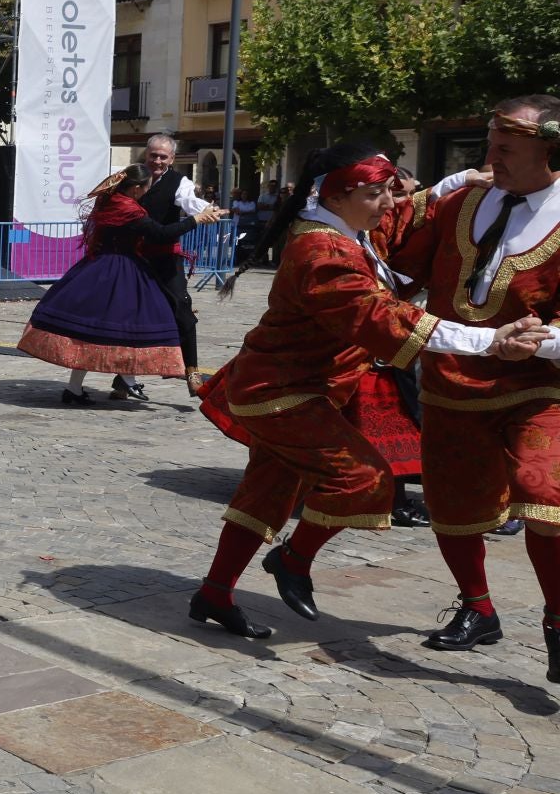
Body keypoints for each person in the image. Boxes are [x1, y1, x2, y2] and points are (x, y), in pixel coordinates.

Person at [187, 142, 543, 640]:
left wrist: (461, 180)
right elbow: (379, 317)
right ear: (338, 197)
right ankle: (293, 560)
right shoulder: (321, 252)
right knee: (365, 478)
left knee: (266, 492)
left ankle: (215, 592)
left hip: (300, 387)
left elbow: (400, 220)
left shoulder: (347, 228)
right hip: (279, 391)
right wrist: (486, 340)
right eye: (378, 193)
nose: (391, 203)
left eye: (389, 190)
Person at [377, 96, 560, 677]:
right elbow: (397, 264)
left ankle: (559, 622)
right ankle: (478, 608)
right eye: (490, 145)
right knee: (452, 505)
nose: (491, 157)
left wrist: (542, 342)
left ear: (550, 150)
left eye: (506, 148)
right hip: (449, 379)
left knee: (547, 497)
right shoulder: (462, 202)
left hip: (537, 386)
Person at [18, 165, 220, 404]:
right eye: (144, 189)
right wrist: (195, 220)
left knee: (95, 330)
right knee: (125, 325)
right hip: (120, 270)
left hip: (101, 268)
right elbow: (161, 233)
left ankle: (84, 388)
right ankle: (122, 381)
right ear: (135, 188)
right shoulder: (128, 209)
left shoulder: (111, 200)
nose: (146, 193)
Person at [119, 133, 225, 400]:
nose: (157, 160)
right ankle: (123, 379)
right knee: (130, 316)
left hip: (165, 258)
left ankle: (192, 370)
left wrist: (206, 210)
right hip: (132, 259)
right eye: (153, 155)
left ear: (172, 159)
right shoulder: (132, 176)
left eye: (163, 156)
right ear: (146, 154)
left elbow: (190, 203)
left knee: (182, 309)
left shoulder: (179, 182)